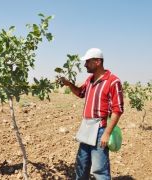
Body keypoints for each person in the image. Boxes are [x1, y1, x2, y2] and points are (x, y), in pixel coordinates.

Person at [60, 48, 124, 180]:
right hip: (86, 127)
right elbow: (80, 93)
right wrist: (68, 84)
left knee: (99, 170)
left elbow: (118, 109)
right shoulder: (90, 80)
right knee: (81, 165)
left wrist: (106, 133)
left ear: (98, 62)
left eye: (87, 62)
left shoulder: (113, 81)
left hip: (100, 129)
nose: (85, 65)